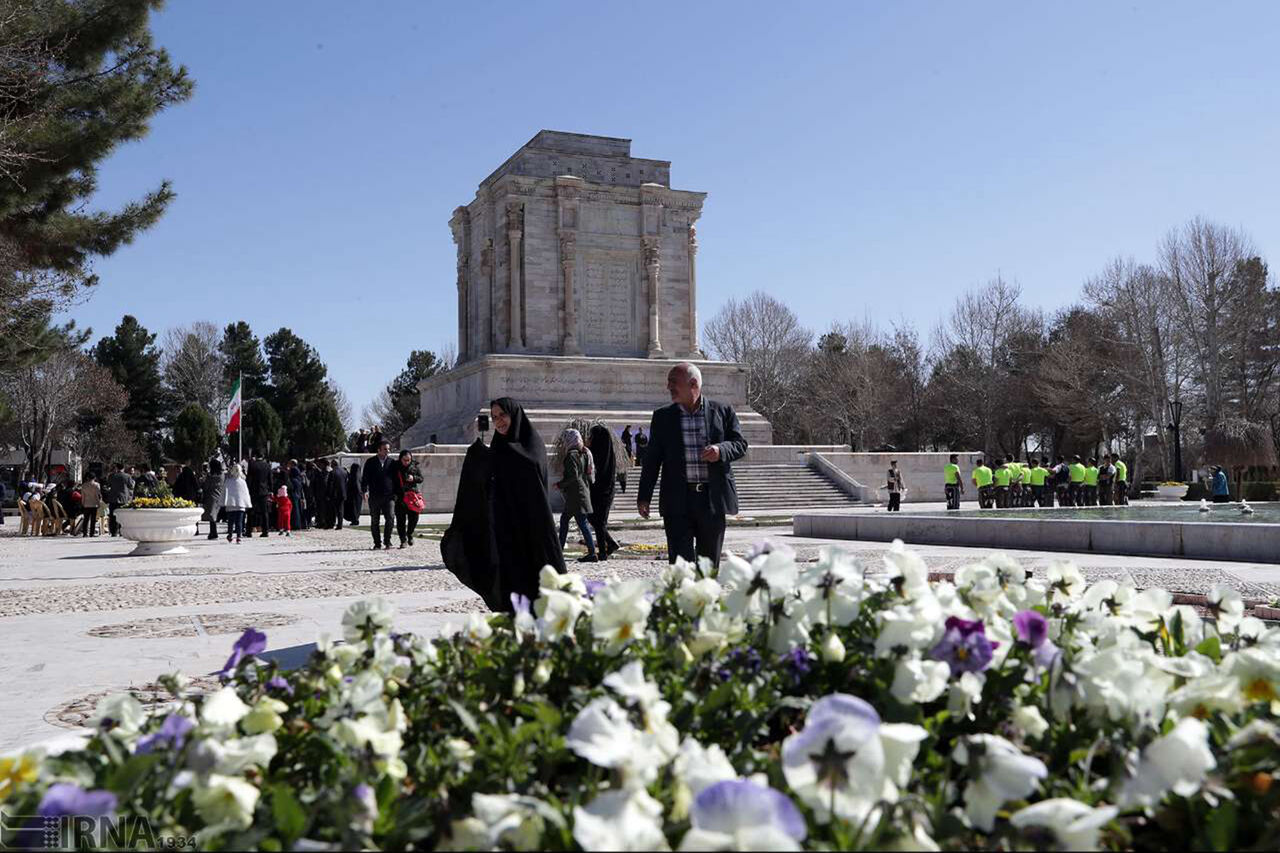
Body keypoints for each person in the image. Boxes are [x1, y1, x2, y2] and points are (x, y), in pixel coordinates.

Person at [637, 363, 748, 568]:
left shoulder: (722, 411)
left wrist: (720, 450)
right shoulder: (662, 417)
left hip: (711, 501)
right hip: (677, 501)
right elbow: (652, 460)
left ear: (693, 383)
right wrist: (644, 496)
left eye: (673, 382)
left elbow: (740, 444)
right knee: (681, 568)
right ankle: (682, 600)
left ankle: (706, 600)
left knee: (708, 567)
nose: (668, 387)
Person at [487, 397, 565, 602]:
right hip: (505, 528)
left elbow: (535, 489)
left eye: (502, 415)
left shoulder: (532, 445)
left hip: (532, 527)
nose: (498, 421)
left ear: (514, 414)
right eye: (494, 417)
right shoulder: (497, 446)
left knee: (536, 584)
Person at [557, 429, 598, 562]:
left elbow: (573, 476)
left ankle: (560, 550)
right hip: (581, 492)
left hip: (576, 495)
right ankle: (560, 549)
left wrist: (560, 484)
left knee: (576, 522)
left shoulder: (571, 455)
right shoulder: (584, 454)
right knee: (573, 521)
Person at [588, 424, 621, 558]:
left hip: (602, 492)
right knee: (596, 521)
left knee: (599, 522)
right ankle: (610, 544)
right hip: (603, 491)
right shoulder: (603, 452)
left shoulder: (601, 453)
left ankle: (602, 551)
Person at [361, 441, 396, 549]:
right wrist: (365, 491)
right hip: (375, 496)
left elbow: (396, 479)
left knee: (390, 518)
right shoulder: (370, 462)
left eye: (388, 449)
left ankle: (387, 541)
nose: (387, 451)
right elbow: (365, 478)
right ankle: (377, 543)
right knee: (375, 520)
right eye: (385, 449)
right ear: (379, 450)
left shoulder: (392, 462)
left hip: (389, 496)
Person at [391, 450, 423, 548]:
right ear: (400, 459)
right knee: (401, 519)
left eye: (408, 460)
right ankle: (403, 540)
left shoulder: (414, 466)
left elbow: (421, 478)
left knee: (414, 517)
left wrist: (413, 478)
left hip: (412, 496)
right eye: (404, 460)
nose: (406, 462)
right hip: (400, 496)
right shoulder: (395, 467)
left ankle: (409, 534)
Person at [218, 462, 252, 543]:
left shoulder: (228, 481)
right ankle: (239, 537)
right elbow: (246, 494)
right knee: (239, 522)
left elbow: (224, 492)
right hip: (241, 505)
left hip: (230, 505)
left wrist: (222, 502)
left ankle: (230, 535)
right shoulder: (243, 482)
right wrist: (247, 503)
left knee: (230, 522)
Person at [246, 450, 273, 537]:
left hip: (253, 491)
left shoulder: (252, 465)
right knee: (264, 512)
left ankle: (248, 531)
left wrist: (248, 489)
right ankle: (265, 531)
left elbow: (249, 479)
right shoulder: (267, 465)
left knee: (250, 511)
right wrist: (270, 490)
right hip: (264, 491)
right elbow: (270, 479)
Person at [105, 463, 134, 537]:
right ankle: (122, 531)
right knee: (123, 515)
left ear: (116, 468)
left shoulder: (111, 476)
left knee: (113, 516)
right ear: (123, 468)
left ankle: (113, 532)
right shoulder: (127, 476)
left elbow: (108, 485)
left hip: (113, 498)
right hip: (123, 498)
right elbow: (131, 486)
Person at [202, 459, 225, 540]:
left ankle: (213, 532)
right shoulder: (222, 475)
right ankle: (213, 532)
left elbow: (206, 486)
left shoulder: (210, 477)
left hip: (211, 496)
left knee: (212, 515)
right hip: (220, 495)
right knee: (214, 514)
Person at [329, 460, 348, 530]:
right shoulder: (344, 471)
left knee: (334, 509)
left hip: (335, 493)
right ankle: (340, 524)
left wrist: (329, 494)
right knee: (341, 509)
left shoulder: (332, 472)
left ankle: (333, 523)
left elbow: (331, 485)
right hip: (343, 493)